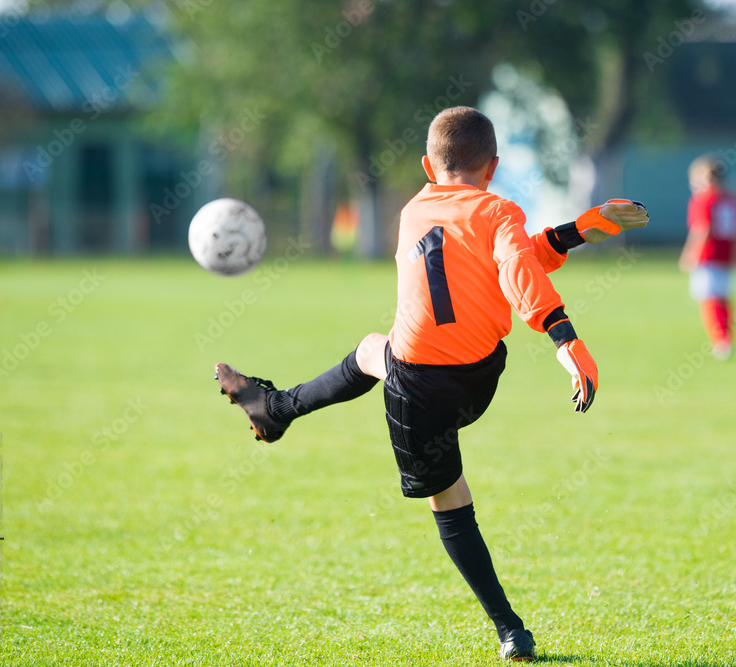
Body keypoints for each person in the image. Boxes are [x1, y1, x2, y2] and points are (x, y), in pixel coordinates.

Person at [214, 106, 647, 661]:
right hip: (481, 376)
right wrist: (575, 245)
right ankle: (274, 410)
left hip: (417, 390)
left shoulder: (413, 211)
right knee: (375, 349)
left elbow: (511, 260)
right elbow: (513, 261)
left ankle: (510, 629)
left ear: (426, 165)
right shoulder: (499, 210)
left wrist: (565, 322)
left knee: (448, 495)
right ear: (492, 167)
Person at [678, 153, 736, 360]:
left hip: (708, 254)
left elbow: (703, 228)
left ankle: (721, 342)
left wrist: (690, 253)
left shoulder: (704, 199)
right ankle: (727, 338)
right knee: (724, 298)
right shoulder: (734, 199)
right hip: (728, 253)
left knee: (710, 300)